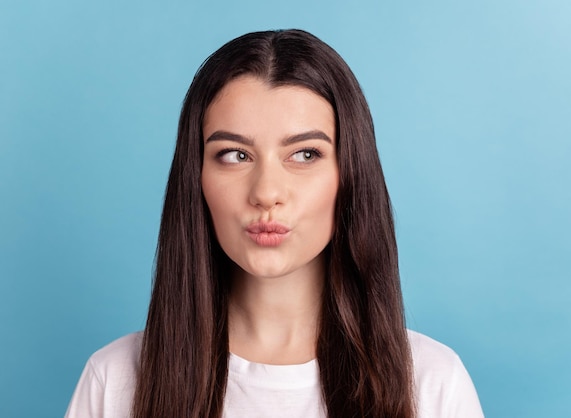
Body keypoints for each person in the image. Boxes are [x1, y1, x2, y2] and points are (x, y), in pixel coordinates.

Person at [65, 29, 484, 418]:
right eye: (234, 154)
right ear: (197, 178)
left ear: (351, 174)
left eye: (304, 154)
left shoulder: (433, 385)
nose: (266, 191)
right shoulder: (114, 381)